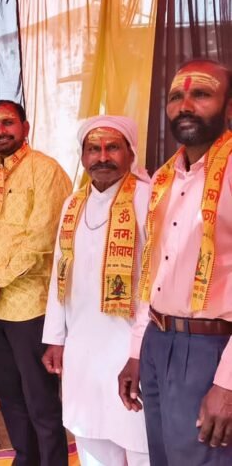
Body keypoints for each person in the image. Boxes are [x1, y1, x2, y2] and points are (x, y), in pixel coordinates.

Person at [119, 59, 232, 464]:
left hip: (211, 349)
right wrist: (138, 350)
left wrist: (228, 383)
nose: (185, 105)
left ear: (229, 106)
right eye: (175, 97)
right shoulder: (164, 178)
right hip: (158, 341)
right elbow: (155, 272)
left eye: (201, 94)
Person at [0, 100, 72, 466]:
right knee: (10, 395)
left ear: (25, 127)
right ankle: (25, 458)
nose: (0, 131)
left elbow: (42, 239)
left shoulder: (45, 170)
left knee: (40, 398)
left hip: (29, 307)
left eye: (8, 123)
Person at [41, 116, 150, 465]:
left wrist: (140, 350)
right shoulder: (73, 204)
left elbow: (155, 282)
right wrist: (55, 337)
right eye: (93, 149)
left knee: (140, 440)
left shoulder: (149, 198)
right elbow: (60, 272)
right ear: (83, 156)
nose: (102, 157)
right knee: (91, 440)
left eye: (112, 147)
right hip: (82, 348)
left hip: (131, 348)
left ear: (130, 153)